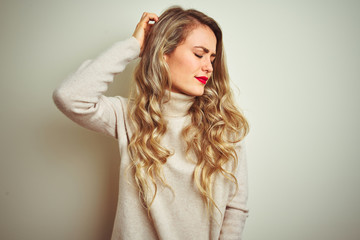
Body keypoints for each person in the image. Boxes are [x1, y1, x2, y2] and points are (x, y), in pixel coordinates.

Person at [53, 6, 249, 240]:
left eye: (212, 58)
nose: (208, 66)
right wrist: (134, 46)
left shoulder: (223, 127)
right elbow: (69, 96)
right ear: (163, 53)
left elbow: (235, 208)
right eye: (199, 54)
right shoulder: (129, 116)